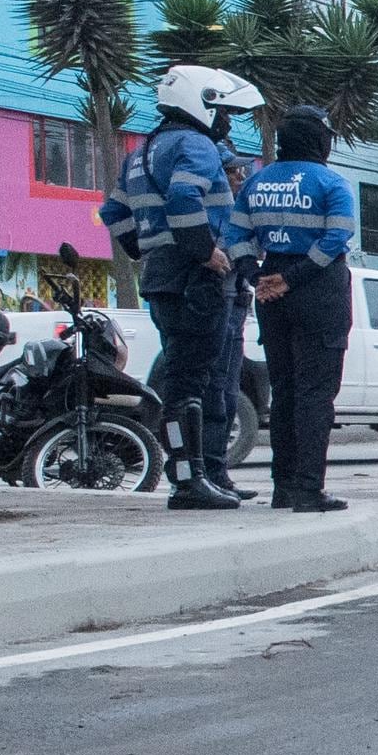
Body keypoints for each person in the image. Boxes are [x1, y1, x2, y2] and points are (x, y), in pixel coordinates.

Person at [106, 63, 264, 510]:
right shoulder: (195, 143)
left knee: (181, 378)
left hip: (160, 276)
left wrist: (150, 249)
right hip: (196, 278)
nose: (228, 121)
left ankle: (190, 476)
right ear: (202, 103)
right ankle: (191, 481)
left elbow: (114, 212)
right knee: (193, 381)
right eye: (223, 110)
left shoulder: (141, 151)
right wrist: (201, 251)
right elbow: (183, 196)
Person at [239, 106, 361, 513]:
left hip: (270, 288)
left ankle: (283, 486)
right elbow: (338, 236)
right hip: (318, 288)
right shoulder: (332, 183)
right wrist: (295, 277)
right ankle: (309, 488)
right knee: (316, 394)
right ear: (320, 140)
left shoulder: (255, 181)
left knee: (285, 390)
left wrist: (256, 276)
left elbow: (236, 233)